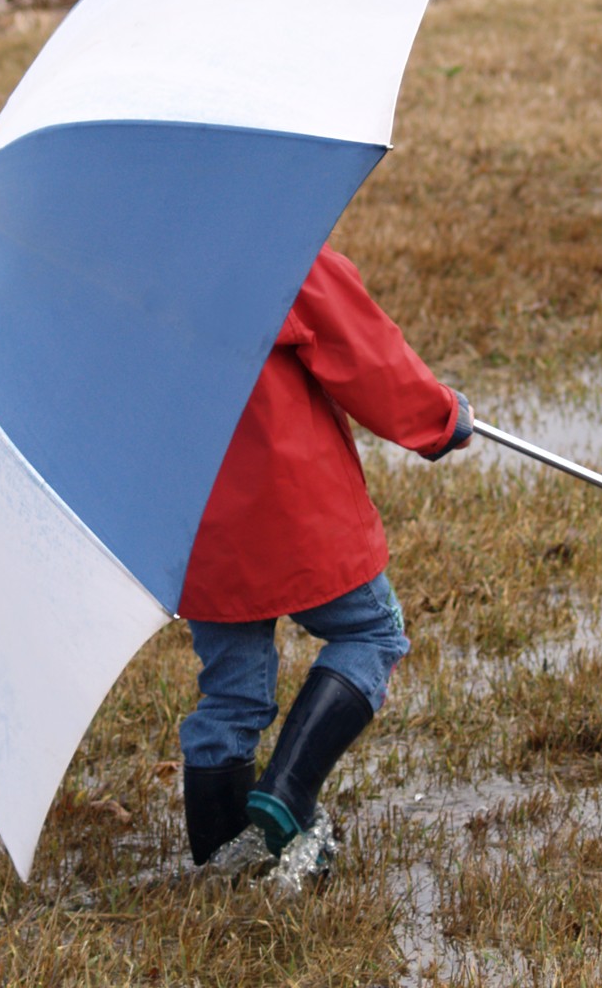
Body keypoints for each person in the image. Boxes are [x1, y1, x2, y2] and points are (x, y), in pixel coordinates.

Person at [176, 242, 471, 868]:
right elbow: (366, 358)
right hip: (297, 513)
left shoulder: (111, 269)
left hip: (197, 528)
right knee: (372, 633)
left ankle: (220, 859)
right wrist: (441, 419)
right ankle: (288, 791)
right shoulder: (279, 247)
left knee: (230, 693)